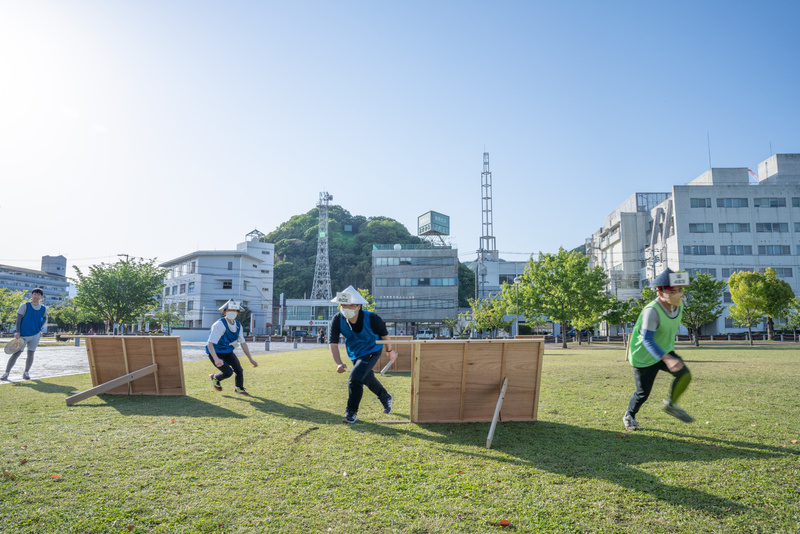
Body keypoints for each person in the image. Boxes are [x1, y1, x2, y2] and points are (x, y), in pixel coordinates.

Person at [623, 268, 694, 431]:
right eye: (672, 291)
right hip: (644, 355)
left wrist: (668, 354)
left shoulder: (679, 304)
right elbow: (647, 339)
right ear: (660, 292)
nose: (678, 294)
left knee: (684, 375)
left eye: (680, 290)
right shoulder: (652, 311)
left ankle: (671, 405)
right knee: (643, 393)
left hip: (664, 349)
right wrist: (668, 358)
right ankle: (629, 415)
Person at [328, 286, 396, 423]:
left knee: (355, 377)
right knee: (366, 378)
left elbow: (385, 335)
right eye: (343, 305)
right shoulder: (337, 320)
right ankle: (385, 397)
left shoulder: (372, 318)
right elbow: (333, 343)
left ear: (358, 306)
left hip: (372, 349)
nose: (346, 307)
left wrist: (390, 351)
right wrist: (339, 363)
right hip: (355, 352)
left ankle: (351, 412)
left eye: (350, 305)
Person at [206, 300, 258, 395]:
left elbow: (243, 343)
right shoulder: (219, 325)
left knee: (239, 370)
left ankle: (239, 388)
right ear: (225, 312)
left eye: (235, 310)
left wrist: (251, 359)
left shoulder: (238, 326)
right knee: (228, 372)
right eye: (229, 310)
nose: (232, 312)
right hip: (216, 352)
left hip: (228, 352)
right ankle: (215, 378)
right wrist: (216, 359)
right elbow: (210, 344)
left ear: (238, 312)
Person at [2, 288, 47, 381]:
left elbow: (45, 318)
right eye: (34, 294)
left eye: (38, 295)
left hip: (36, 335)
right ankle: (6, 373)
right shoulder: (25, 306)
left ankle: (26, 373)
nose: (36, 296)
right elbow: (18, 320)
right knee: (16, 353)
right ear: (31, 295)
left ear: (41, 297)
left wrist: (40, 327)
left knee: (31, 354)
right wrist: (17, 331)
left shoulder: (43, 308)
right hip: (23, 335)